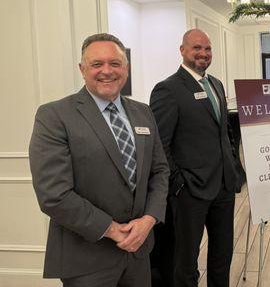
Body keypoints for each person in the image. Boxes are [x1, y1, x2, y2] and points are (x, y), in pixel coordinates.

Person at [28, 33, 169, 287]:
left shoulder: (143, 112)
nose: (107, 71)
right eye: (97, 64)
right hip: (86, 259)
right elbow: (53, 194)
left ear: (125, 68)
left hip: (138, 253)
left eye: (115, 63)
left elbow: (159, 171)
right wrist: (114, 230)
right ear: (82, 69)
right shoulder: (54, 116)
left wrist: (149, 220)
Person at [150, 29, 244, 287]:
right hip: (190, 191)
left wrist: (233, 166)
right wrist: (178, 183)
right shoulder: (167, 89)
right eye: (196, 48)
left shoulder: (216, 84)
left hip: (224, 187)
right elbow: (159, 145)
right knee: (186, 261)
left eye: (208, 49)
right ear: (182, 50)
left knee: (222, 255)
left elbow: (225, 132)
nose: (203, 54)